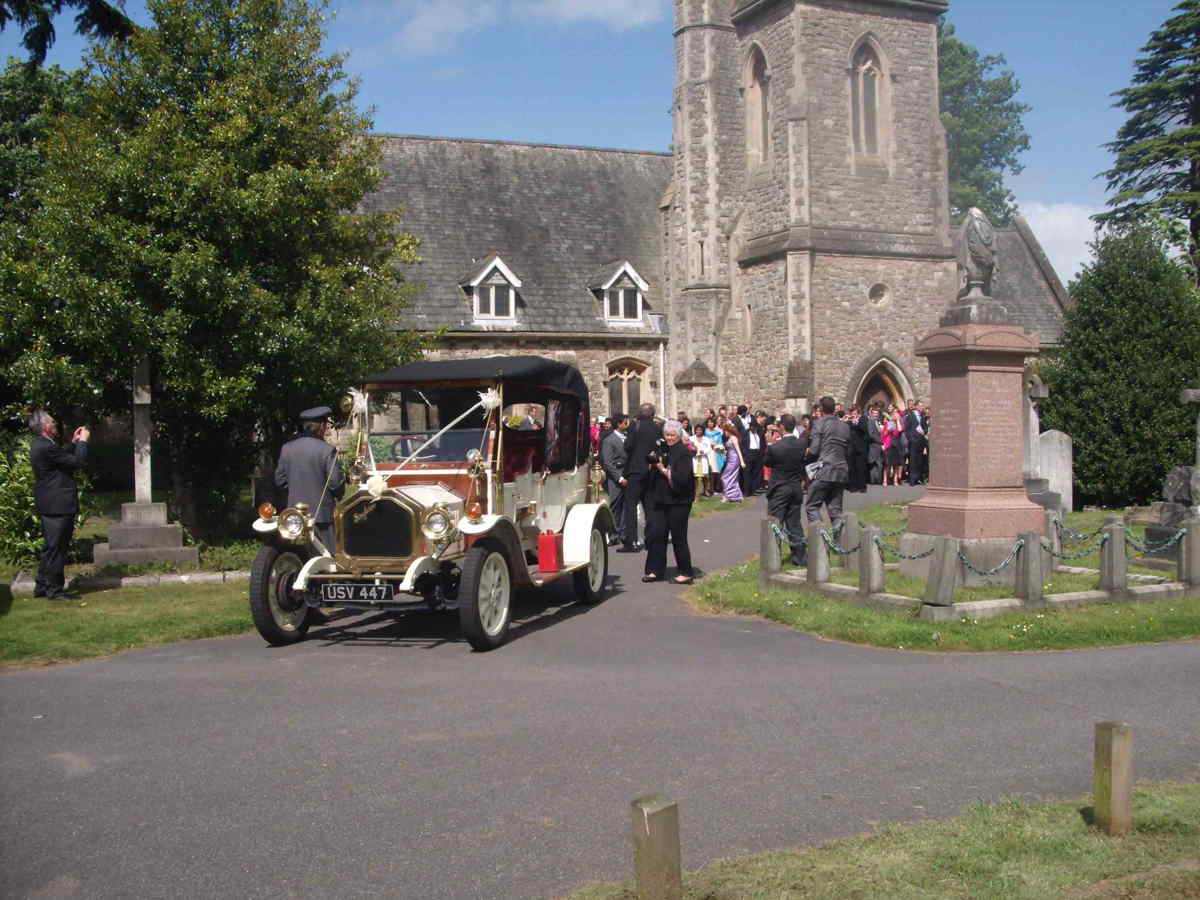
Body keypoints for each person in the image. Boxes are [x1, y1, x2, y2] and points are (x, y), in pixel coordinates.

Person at [28, 410, 89, 601]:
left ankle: (41, 585)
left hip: (51, 503)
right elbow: (77, 462)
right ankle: (54, 590)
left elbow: (62, 460)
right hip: (58, 505)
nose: (56, 425)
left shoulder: (43, 445)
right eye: (53, 422)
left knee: (50, 547)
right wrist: (83, 442)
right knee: (57, 549)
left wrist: (73, 443)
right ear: (46, 427)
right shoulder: (46, 446)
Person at [275, 406, 344, 551]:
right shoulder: (327, 450)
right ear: (322, 427)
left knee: (299, 556)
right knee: (328, 559)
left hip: (295, 518)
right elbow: (335, 483)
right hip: (322, 517)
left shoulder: (287, 448)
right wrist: (339, 494)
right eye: (326, 426)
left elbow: (280, 481)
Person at [642, 420, 695, 584]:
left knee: (678, 537)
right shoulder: (662, 448)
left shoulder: (683, 452)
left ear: (679, 435)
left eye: (673, 435)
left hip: (678, 501)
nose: (670, 438)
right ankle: (654, 570)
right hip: (660, 499)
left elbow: (682, 478)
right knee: (656, 534)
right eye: (667, 435)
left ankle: (685, 572)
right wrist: (652, 461)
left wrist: (661, 468)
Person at [764, 413, 808, 567]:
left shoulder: (776, 448)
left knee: (775, 523)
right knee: (794, 523)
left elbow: (767, 462)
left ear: (781, 427)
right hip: (795, 487)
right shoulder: (801, 444)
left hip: (780, 488)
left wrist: (769, 444)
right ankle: (801, 557)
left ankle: (772, 558)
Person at [619, 402, 662, 552]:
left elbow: (628, 447)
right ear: (652, 414)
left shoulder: (635, 427)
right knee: (649, 506)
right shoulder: (657, 428)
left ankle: (631, 541)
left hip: (636, 469)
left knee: (630, 505)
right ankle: (651, 540)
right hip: (651, 469)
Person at [805, 396, 850, 529]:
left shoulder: (820, 423)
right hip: (841, 470)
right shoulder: (844, 426)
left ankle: (819, 539)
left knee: (812, 506)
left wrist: (806, 453)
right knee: (835, 510)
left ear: (821, 409)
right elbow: (847, 449)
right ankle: (839, 541)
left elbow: (814, 450)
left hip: (825, 469)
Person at [600, 414, 630, 546]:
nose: (627, 425)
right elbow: (607, 462)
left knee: (626, 507)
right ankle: (613, 534)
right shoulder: (609, 440)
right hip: (615, 478)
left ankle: (623, 533)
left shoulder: (628, 437)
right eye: (625, 423)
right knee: (615, 506)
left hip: (628, 475)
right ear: (618, 424)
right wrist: (619, 478)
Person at [846, 404, 869, 493]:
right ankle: (853, 486)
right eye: (851, 412)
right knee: (852, 468)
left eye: (854, 411)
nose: (853, 413)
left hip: (860, 447)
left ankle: (862, 486)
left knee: (861, 467)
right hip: (851, 447)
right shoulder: (849, 421)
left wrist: (857, 422)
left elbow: (864, 430)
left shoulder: (863, 419)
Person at [904, 399, 928, 486]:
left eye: (922, 406)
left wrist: (924, 432)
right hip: (913, 442)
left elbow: (925, 428)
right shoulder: (910, 416)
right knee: (913, 461)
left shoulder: (922, 417)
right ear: (916, 406)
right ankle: (912, 480)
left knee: (920, 461)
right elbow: (907, 430)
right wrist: (911, 439)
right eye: (921, 406)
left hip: (921, 442)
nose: (922, 408)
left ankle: (919, 478)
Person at [719, 420, 744, 502]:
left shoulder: (733, 438)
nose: (724, 433)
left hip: (734, 459)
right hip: (730, 459)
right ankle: (734, 495)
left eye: (725, 431)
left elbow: (738, 450)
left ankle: (727, 495)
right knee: (731, 477)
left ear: (728, 430)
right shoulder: (729, 438)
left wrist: (742, 461)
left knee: (725, 476)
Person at [882, 407, 905, 486]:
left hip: (897, 446)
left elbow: (899, 430)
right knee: (887, 464)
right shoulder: (888, 424)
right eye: (895, 415)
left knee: (896, 464)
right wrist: (888, 430)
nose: (896, 416)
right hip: (889, 445)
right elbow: (884, 435)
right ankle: (885, 480)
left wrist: (898, 420)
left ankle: (895, 480)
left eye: (897, 415)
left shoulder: (899, 424)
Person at [691, 423, 715, 498]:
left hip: (703, 459)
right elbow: (689, 447)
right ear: (695, 430)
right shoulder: (691, 438)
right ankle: (695, 493)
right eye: (697, 430)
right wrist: (696, 452)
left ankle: (705, 491)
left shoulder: (706, 439)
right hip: (695, 459)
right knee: (695, 477)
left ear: (703, 431)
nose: (699, 431)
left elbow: (709, 448)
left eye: (700, 430)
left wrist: (703, 451)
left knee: (705, 476)